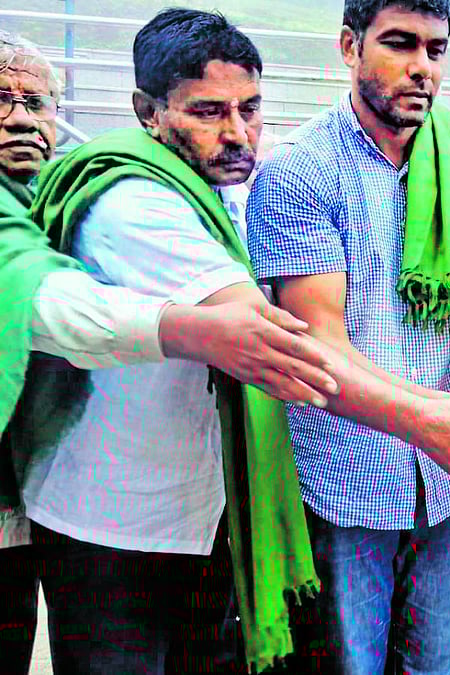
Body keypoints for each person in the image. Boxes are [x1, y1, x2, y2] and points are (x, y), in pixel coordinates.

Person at [11, 11, 345, 673]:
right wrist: (429, 417)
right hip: (109, 523)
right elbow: (275, 339)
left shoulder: (241, 194)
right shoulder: (132, 198)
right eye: (208, 111)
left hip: (209, 512)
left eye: (250, 108)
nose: (237, 133)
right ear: (147, 111)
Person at [246, 1, 450, 672]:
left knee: (435, 664)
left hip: (448, 486)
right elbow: (320, 340)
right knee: (351, 665)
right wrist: (434, 420)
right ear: (348, 46)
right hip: (346, 477)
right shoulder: (300, 172)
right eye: (399, 44)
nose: (422, 67)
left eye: (436, 49)